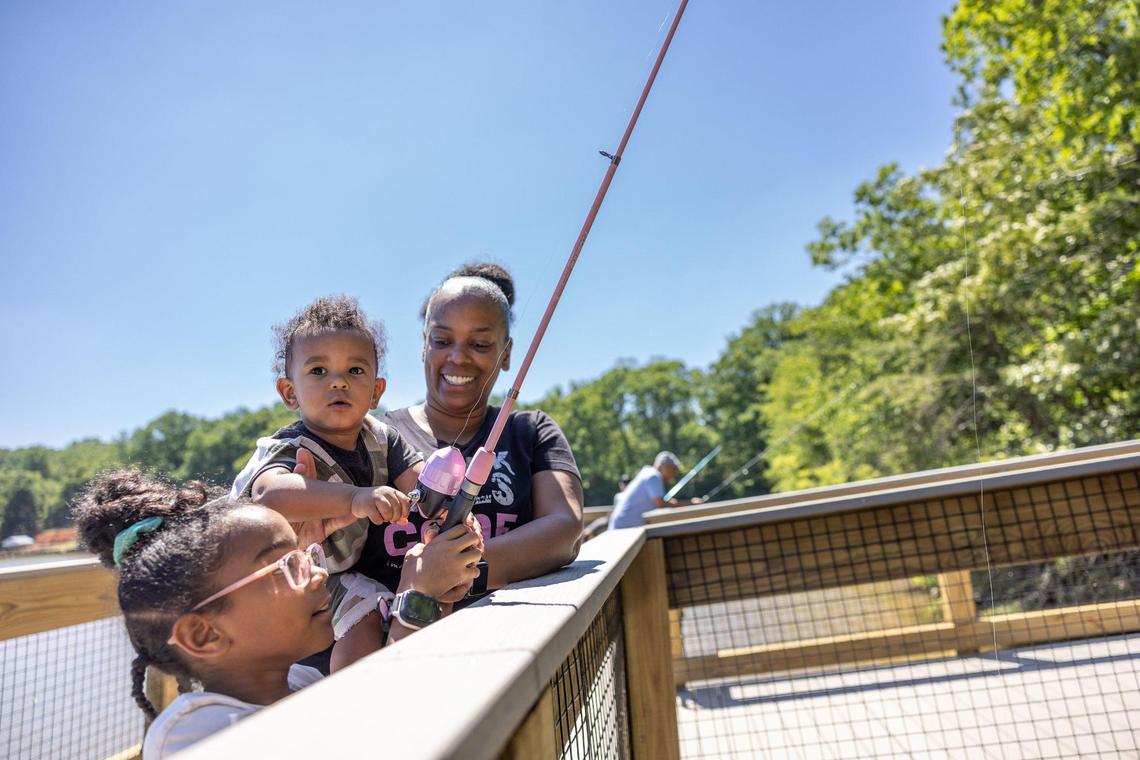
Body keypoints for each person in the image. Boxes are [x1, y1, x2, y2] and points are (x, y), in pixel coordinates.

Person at [72, 469, 475, 759]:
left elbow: (386, 706)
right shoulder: (193, 735)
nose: (319, 574)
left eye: (305, 556)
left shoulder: (303, 682)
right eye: (286, 566)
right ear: (203, 635)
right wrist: (416, 596)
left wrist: (434, 595)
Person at [231, 295, 482, 668]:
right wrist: (356, 498)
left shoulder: (383, 439)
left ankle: (354, 698)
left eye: (355, 371)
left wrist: (452, 513)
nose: (339, 383)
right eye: (318, 371)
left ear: (377, 391)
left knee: (368, 613)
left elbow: (424, 490)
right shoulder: (289, 446)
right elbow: (270, 495)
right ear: (289, 392)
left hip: (333, 574)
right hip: (263, 576)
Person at [352, 262, 584, 598]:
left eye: (479, 344)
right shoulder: (374, 435)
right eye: (442, 340)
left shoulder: (532, 432)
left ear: (506, 355)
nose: (458, 358)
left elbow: (564, 528)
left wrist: (458, 570)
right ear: (424, 344)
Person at [608, 451, 705, 529]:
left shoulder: (648, 473)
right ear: (664, 466)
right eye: (674, 469)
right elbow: (660, 504)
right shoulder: (654, 476)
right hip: (623, 530)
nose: (674, 474)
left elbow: (660, 502)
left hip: (622, 528)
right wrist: (690, 504)